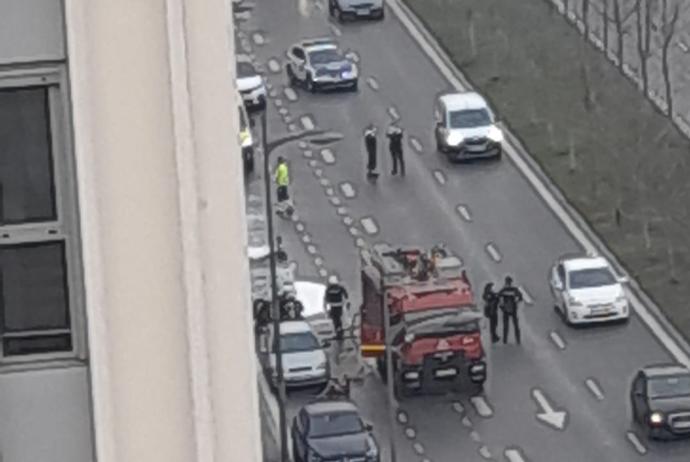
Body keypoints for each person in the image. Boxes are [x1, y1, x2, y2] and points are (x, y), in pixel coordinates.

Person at [498, 276, 523, 344]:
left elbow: (498, 296)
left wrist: (501, 306)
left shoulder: (503, 290)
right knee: (515, 325)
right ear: (511, 282)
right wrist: (516, 301)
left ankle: (505, 340)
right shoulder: (514, 289)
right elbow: (520, 297)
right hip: (513, 309)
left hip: (505, 310)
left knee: (506, 326)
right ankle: (518, 340)